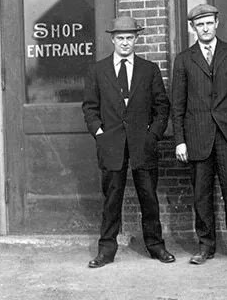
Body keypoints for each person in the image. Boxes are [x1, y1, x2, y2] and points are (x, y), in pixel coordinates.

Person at [82, 16, 174, 268]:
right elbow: (90, 107)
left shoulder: (149, 69)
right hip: (111, 144)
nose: (125, 42)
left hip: (142, 144)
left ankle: (156, 246)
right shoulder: (98, 70)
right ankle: (106, 250)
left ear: (136, 39)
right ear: (112, 39)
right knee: (112, 199)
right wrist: (100, 133)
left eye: (130, 38)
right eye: (120, 38)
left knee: (149, 197)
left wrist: (153, 135)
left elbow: (162, 107)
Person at [172, 4, 227, 266]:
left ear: (217, 23)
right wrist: (180, 140)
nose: (205, 28)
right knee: (201, 196)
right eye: (200, 24)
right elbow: (178, 105)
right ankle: (205, 246)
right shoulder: (184, 59)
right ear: (192, 28)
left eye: (209, 23)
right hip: (197, 136)